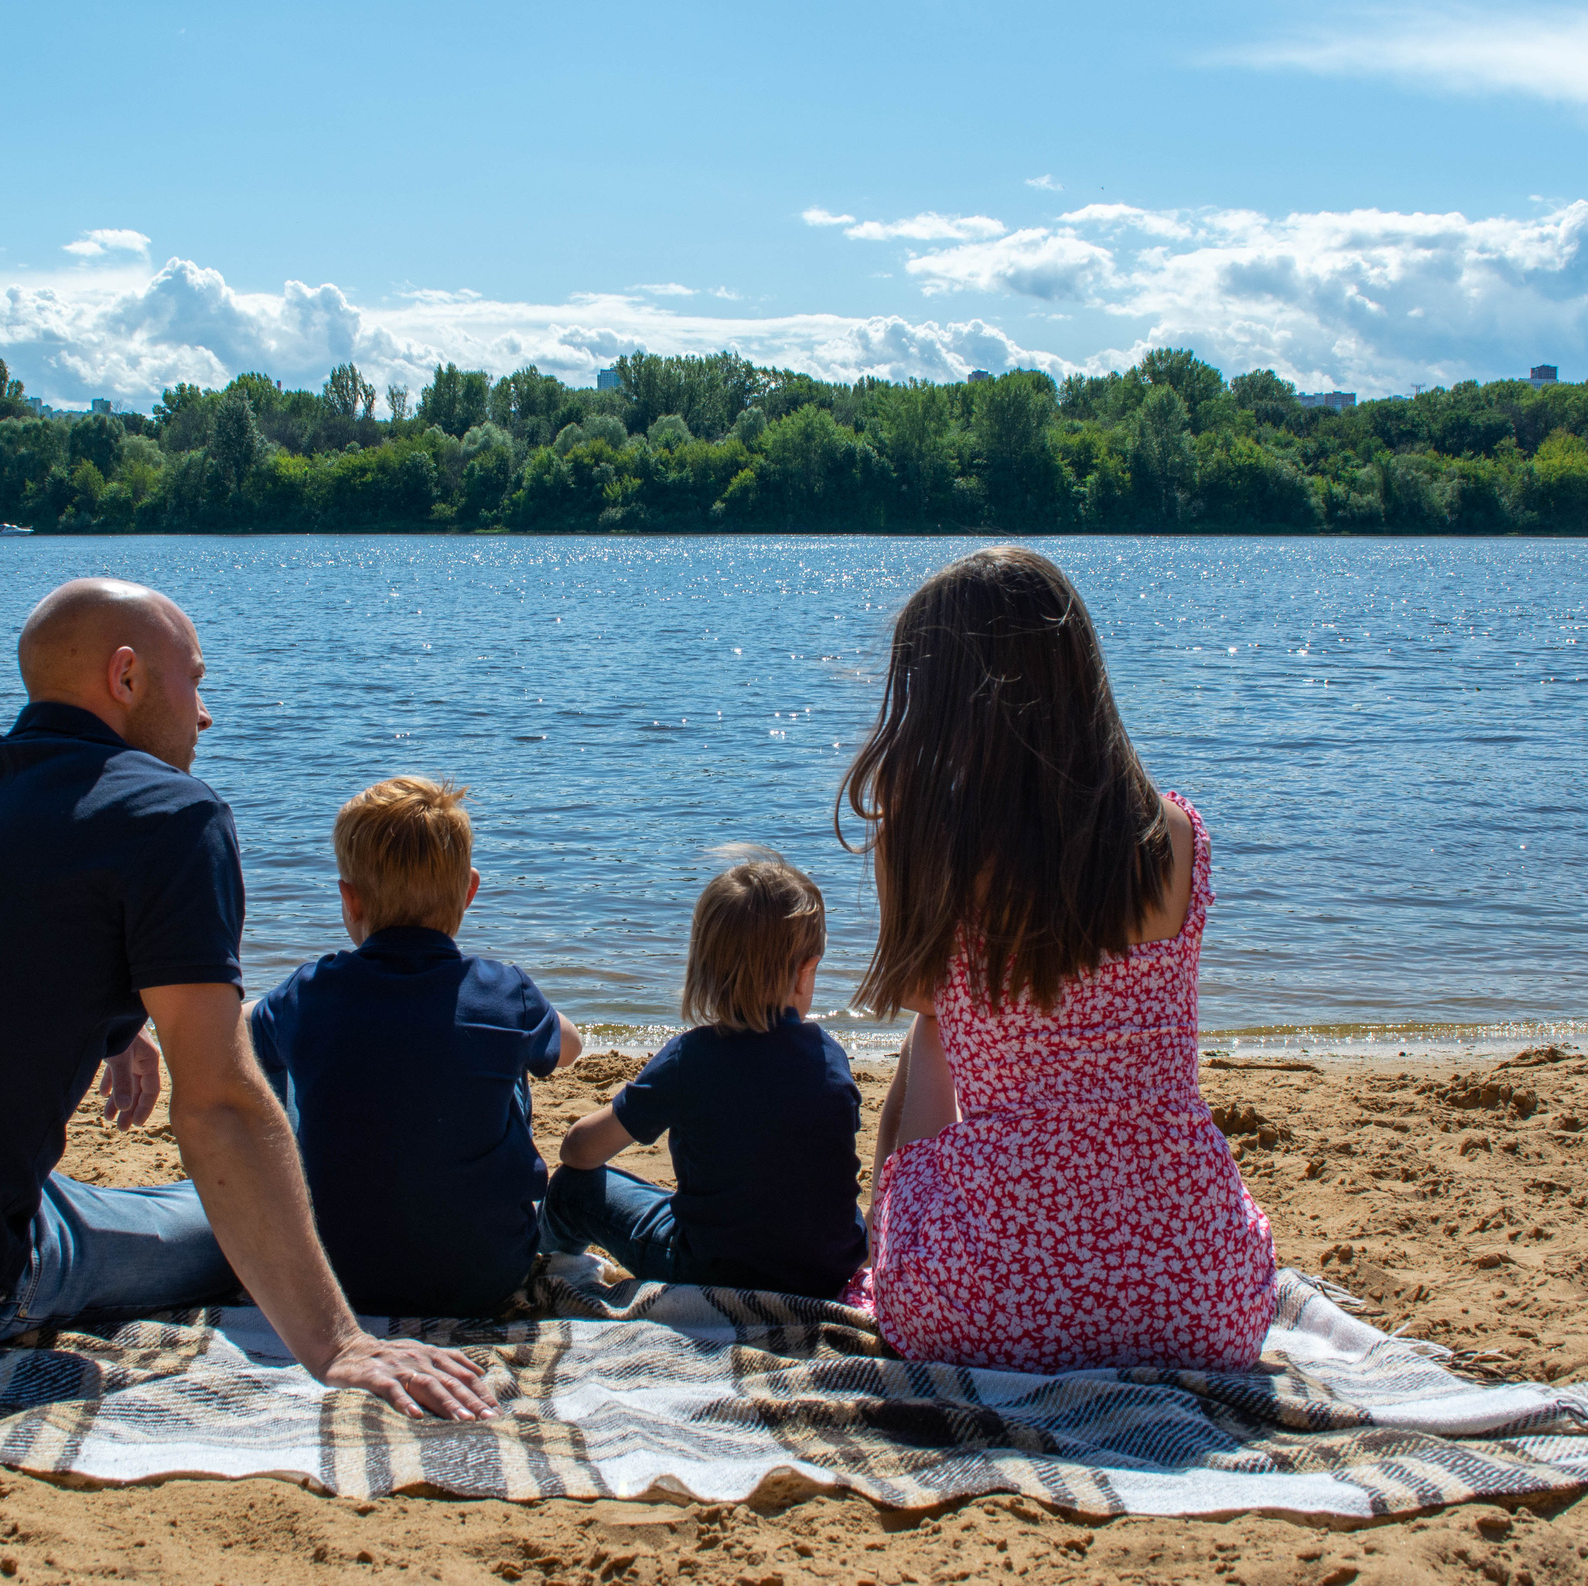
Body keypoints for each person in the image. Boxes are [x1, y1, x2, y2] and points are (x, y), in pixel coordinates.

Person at [0, 578, 493, 1420]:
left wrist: (120, 1020)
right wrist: (341, 1345)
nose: (204, 716)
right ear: (126, 678)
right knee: (226, 1214)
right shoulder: (174, 817)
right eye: (195, 680)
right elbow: (221, 1106)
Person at [847, 546, 1276, 1373]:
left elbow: (917, 997)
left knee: (931, 1029)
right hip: (1200, 1293)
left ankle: (885, 1257)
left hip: (982, 1301)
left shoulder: (929, 840)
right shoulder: (1178, 835)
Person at [250, 777, 581, 1318]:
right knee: (512, 1061)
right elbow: (569, 1048)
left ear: (349, 898)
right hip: (485, 1277)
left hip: (336, 1274)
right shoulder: (504, 991)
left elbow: (242, 1035)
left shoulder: (310, 992)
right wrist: (527, 1013)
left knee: (284, 1057)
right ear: (470, 890)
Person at [545, 851, 867, 1301]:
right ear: (805, 971)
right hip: (826, 1271)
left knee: (573, 1189)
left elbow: (579, 1151)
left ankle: (549, 1262)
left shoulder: (690, 1057)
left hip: (710, 1270)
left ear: (704, 966)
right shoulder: (830, 1056)